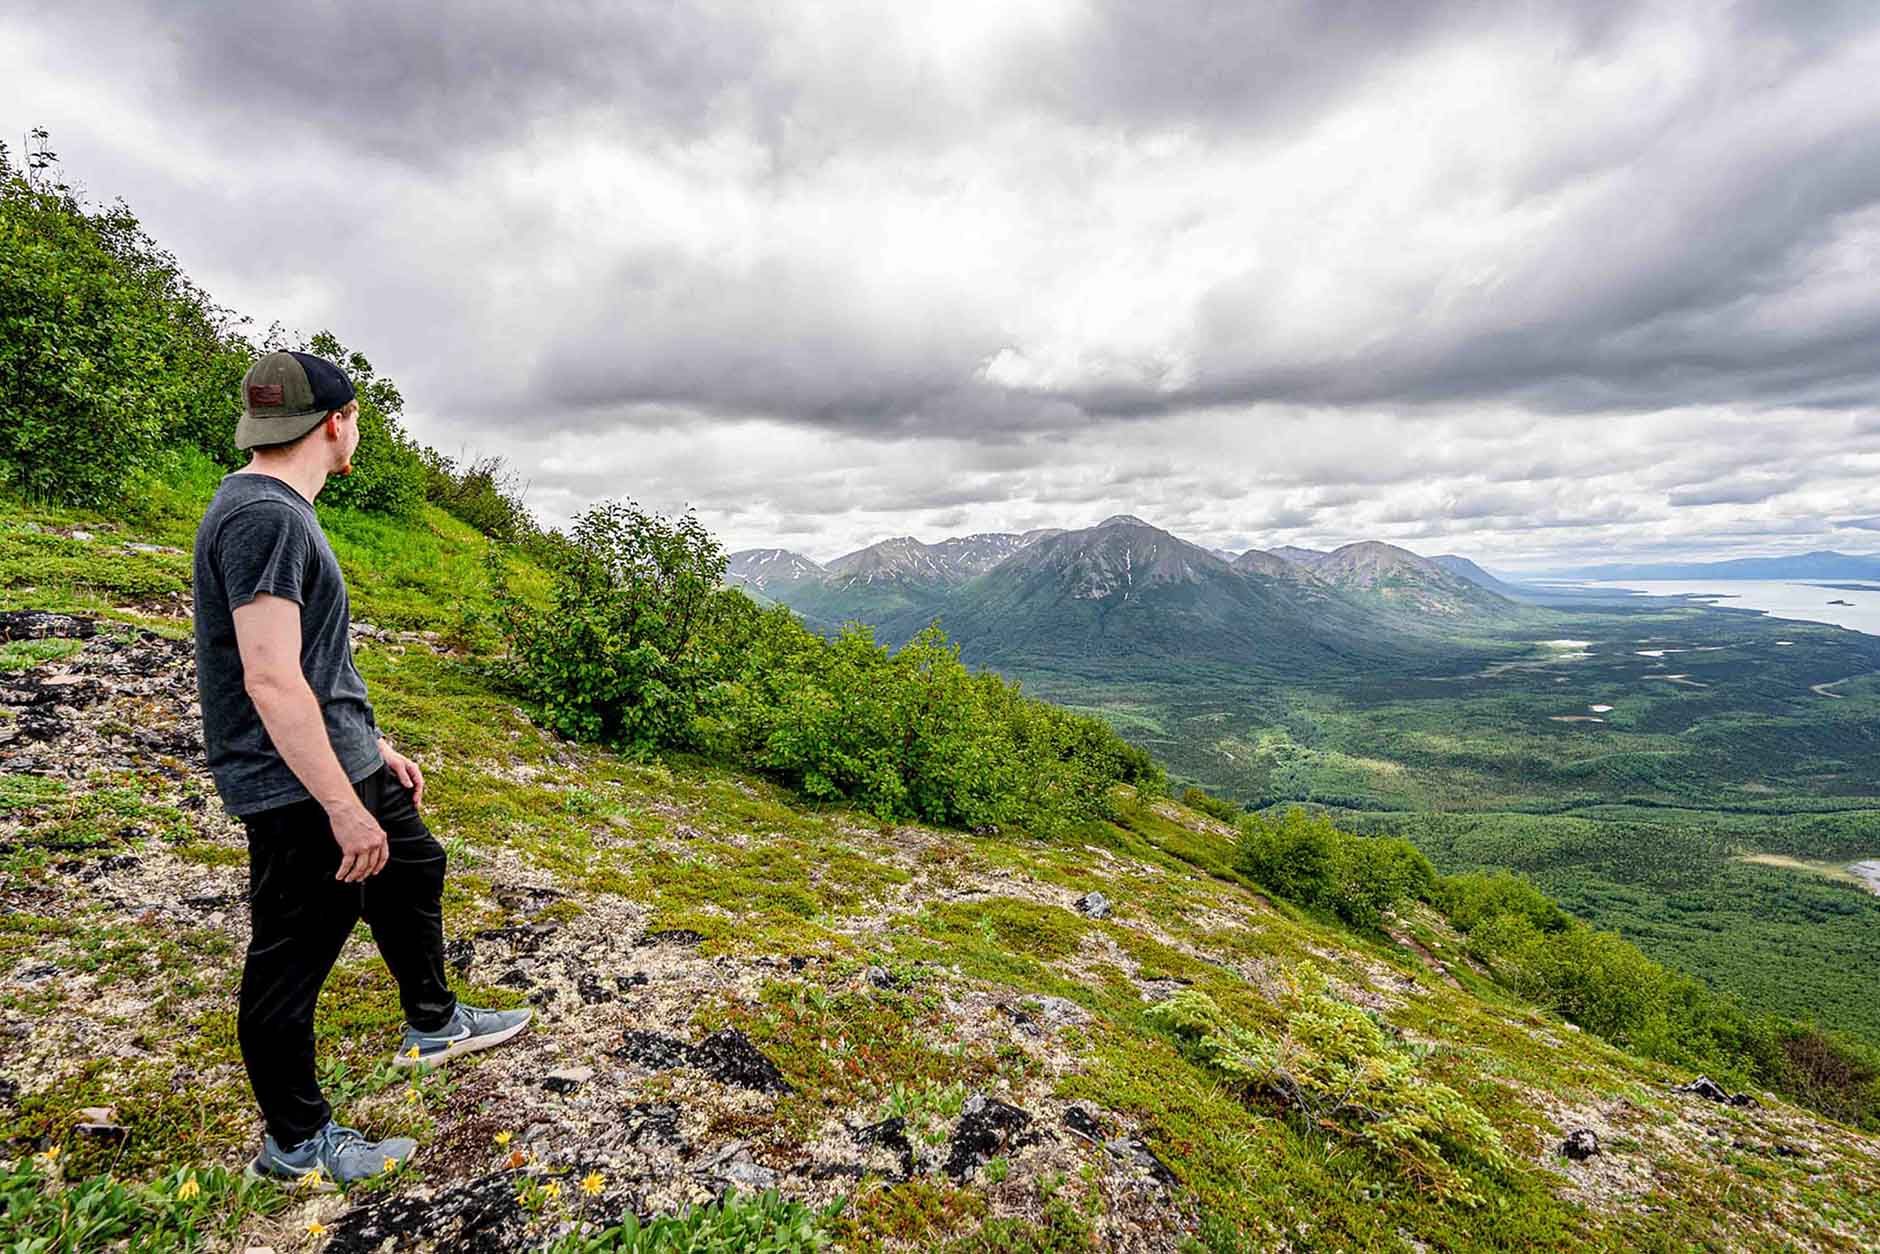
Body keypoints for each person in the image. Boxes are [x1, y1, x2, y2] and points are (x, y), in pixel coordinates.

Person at [192, 350, 531, 1186]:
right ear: (337, 422)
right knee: (292, 958)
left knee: (415, 864)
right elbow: (268, 677)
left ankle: (434, 1020)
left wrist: (370, 747)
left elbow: (305, 661)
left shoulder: (274, 508)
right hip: (296, 785)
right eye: (358, 419)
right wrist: (344, 805)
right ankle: (295, 1143)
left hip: (339, 755)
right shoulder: (264, 519)